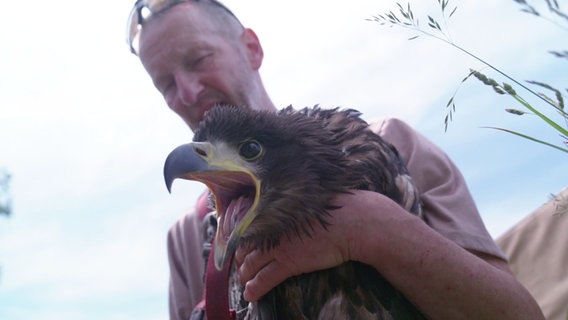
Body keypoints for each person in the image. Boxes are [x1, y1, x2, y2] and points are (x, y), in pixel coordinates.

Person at [126, 1, 545, 319]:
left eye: (198, 60)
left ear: (251, 48)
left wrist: (380, 232)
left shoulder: (391, 141)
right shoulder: (186, 237)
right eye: (165, 84)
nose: (187, 92)